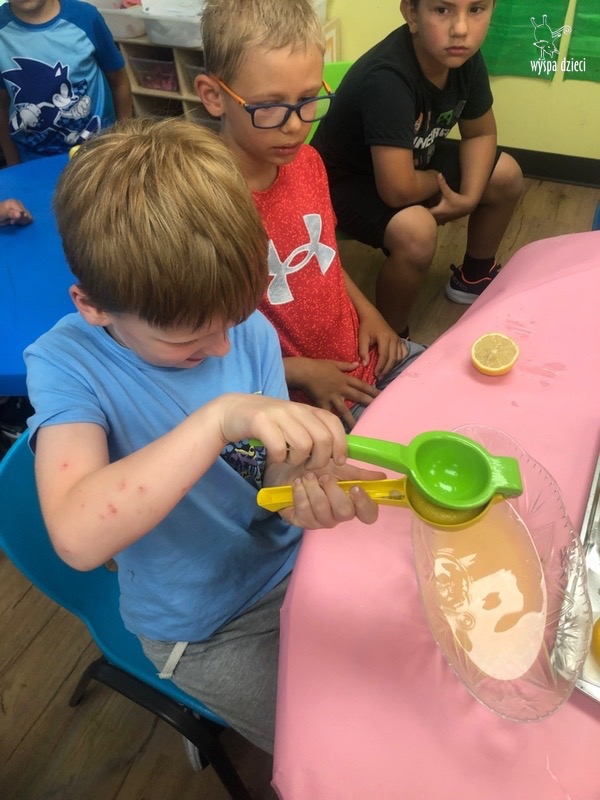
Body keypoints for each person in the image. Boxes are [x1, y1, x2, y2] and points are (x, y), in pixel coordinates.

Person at [23, 117, 384, 754]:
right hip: (205, 624)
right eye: (189, 340)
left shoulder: (247, 331)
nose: (222, 348)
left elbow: (261, 468)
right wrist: (219, 417)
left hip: (291, 561)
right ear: (93, 306)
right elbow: (78, 537)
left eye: (231, 322)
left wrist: (300, 486)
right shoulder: (65, 365)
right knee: (331, 751)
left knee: (395, 680)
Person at [196, 0, 425, 433]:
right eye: (269, 105)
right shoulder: (206, 207)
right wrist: (301, 373)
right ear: (214, 96)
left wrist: (369, 313)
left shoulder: (308, 162)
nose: (295, 125)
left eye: (307, 99)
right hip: (298, 401)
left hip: (361, 356)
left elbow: (323, 259)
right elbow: (200, 350)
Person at [311, 0, 524, 335]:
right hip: (341, 183)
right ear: (412, 13)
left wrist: (468, 197)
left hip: (411, 162)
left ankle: (474, 276)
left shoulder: (463, 58)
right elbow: (398, 190)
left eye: (476, 9)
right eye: (442, 10)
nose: (461, 29)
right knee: (417, 233)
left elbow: (481, 133)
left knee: (506, 175)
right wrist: (441, 183)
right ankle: (391, 340)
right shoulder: (388, 79)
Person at [0, 0, 132, 165]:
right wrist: (13, 165)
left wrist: (124, 142)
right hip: (32, 159)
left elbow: (119, 81)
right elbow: (1, 106)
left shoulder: (86, 17)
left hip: (97, 153)